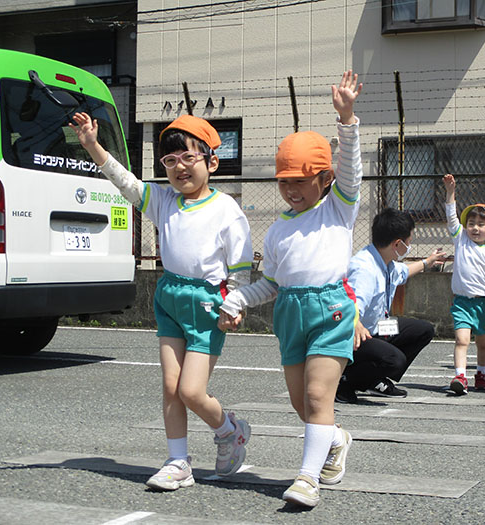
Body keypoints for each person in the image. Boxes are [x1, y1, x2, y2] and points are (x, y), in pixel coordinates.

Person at [69, 112, 253, 490]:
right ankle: (177, 461)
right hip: (169, 296)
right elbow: (127, 184)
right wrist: (92, 146)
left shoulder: (227, 210)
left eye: (188, 158)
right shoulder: (164, 200)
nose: (179, 167)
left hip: (208, 305)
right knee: (171, 387)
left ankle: (229, 429)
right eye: (170, 161)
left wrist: (236, 303)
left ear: (211, 162)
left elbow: (240, 266)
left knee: (191, 391)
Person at [218, 71, 363, 508]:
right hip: (291, 315)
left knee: (319, 396)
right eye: (285, 180)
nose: (291, 188)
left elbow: (352, 170)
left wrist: (347, 119)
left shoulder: (340, 207)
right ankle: (336, 438)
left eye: (300, 180)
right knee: (304, 405)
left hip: (332, 310)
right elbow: (272, 286)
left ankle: (307, 478)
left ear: (324, 178)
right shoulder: (279, 230)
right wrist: (237, 298)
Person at [334, 208, 446, 404]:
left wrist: (428, 262)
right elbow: (350, 306)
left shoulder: (386, 261)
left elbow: (404, 272)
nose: (409, 246)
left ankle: (372, 380)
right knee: (394, 360)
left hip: (379, 327)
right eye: (409, 242)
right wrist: (356, 324)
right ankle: (344, 381)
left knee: (422, 330)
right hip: (355, 336)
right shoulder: (365, 269)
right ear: (397, 244)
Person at [443, 174, 485, 395]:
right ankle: (460, 375)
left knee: (484, 343)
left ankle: (481, 372)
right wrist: (451, 192)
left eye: (481, 224)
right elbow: (451, 218)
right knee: (461, 339)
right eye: (471, 224)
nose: (475, 228)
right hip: (462, 302)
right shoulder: (461, 240)